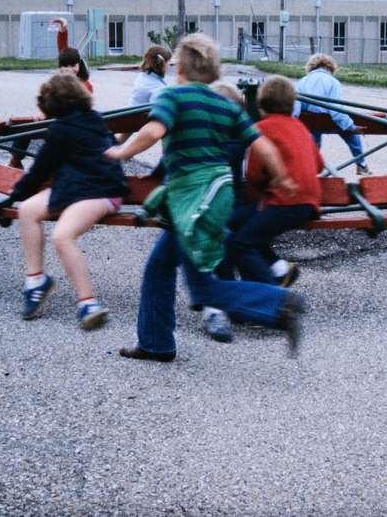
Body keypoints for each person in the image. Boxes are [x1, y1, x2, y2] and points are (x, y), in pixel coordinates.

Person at [105, 33, 305, 362]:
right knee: (159, 267)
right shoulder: (224, 104)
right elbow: (260, 143)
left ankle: (278, 303)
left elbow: (153, 131)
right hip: (216, 196)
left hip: (191, 201)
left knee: (203, 288)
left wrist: (121, 151)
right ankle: (155, 342)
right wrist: (282, 177)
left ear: (179, 67)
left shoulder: (174, 97)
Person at [0, 74, 129, 330]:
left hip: (100, 191)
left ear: (53, 104)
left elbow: (40, 170)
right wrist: (17, 201)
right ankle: (35, 280)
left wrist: (11, 198)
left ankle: (88, 303)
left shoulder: (61, 129)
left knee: (62, 236)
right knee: (28, 211)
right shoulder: (92, 118)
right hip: (76, 188)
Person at [220, 75, 322, 285]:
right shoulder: (300, 126)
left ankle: (271, 294)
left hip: (284, 203)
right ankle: (277, 270)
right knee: (246, 228)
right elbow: (319, 164)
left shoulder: (262, 128)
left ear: (260, 104)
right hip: (309, 203)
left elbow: (253, 174)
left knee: (241, 243)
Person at [8, 47, 92, 169]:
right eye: (65, 66)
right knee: (26, 127)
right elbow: (47, 98)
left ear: (79, 65)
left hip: (74, 125)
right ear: (60, 68)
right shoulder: (57, 82)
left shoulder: (84, 85)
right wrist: (42, 111)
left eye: (73, 65)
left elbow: (80, 108)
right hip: (57, 122)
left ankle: (52, 168)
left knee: (55, 137)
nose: (69, 69)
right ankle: (15, 160)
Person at [294, 53, 371, 176]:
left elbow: (295, 109)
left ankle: (313, 168)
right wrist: (351, 126)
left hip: (310, 122)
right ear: (330, 67)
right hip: (329, 120)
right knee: (351, 135)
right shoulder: (333, 82)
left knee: (314, 139)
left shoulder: (301, 82)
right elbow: (336, 110)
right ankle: (361, 164)